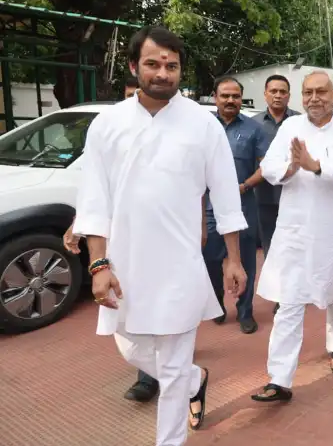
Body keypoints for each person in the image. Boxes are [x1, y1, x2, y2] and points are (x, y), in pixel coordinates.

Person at [73, 26, 248, 445]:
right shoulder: (107, 125)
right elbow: (94, 200)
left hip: (179, 263)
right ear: (134, 67)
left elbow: (225, 195)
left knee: (170, 367)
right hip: (124, 264)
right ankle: (194, 379)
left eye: (172, 65)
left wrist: (234, 258)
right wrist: (98, 263)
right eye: (153, 64)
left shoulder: (203, 125)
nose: (163, 73)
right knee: (130, 348)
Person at [250, 71, 333, 403]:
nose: (313, 98)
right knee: (288, 302)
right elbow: (270, 166)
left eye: (321, 91)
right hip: (295, 230)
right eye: (307, 92)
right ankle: (279, 378)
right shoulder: (290, 127)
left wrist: (316, 165)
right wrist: (291, 166)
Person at [63, 75, 162, 403]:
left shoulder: (168, 134)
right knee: (126, 310)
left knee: (158, 308)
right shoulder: (109, 132)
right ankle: (165, 371)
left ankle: (162, 376)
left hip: (163, 239)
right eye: (132, 95)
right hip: (118, 243)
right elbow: (96, 191)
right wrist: (78, 224)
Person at [203, 76, 268, 333]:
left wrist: (245, 186)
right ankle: (217, 305)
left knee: (245, 263)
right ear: (215, 97)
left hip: (243, 207)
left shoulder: (254, 130)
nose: (231, 100)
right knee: (210, 260)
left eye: (235, 96)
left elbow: (266, 166)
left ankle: (245, 312)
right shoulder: (203, 126)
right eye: (225, 96)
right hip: (208, 209)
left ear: (242, 99)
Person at [252, 74, 300, 315]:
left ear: (289, 96)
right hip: (264, 196)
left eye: (283, 91)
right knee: (271, 244)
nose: (278, 95)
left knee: (295, 243)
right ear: (265, 94)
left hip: (295, 194)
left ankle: (297, 290)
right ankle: (280, 293)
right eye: (273, 91)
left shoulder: (301, 123)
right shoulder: (255, 124)